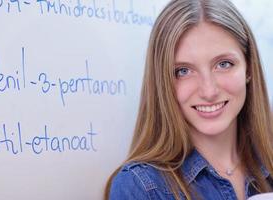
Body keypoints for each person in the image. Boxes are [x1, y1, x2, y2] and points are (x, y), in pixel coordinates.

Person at [104, 0, 273, 199]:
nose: (209, 91)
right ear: (163, 81)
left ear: (249, 68)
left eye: (224, 64)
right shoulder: (141, 186)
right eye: (183, 71)